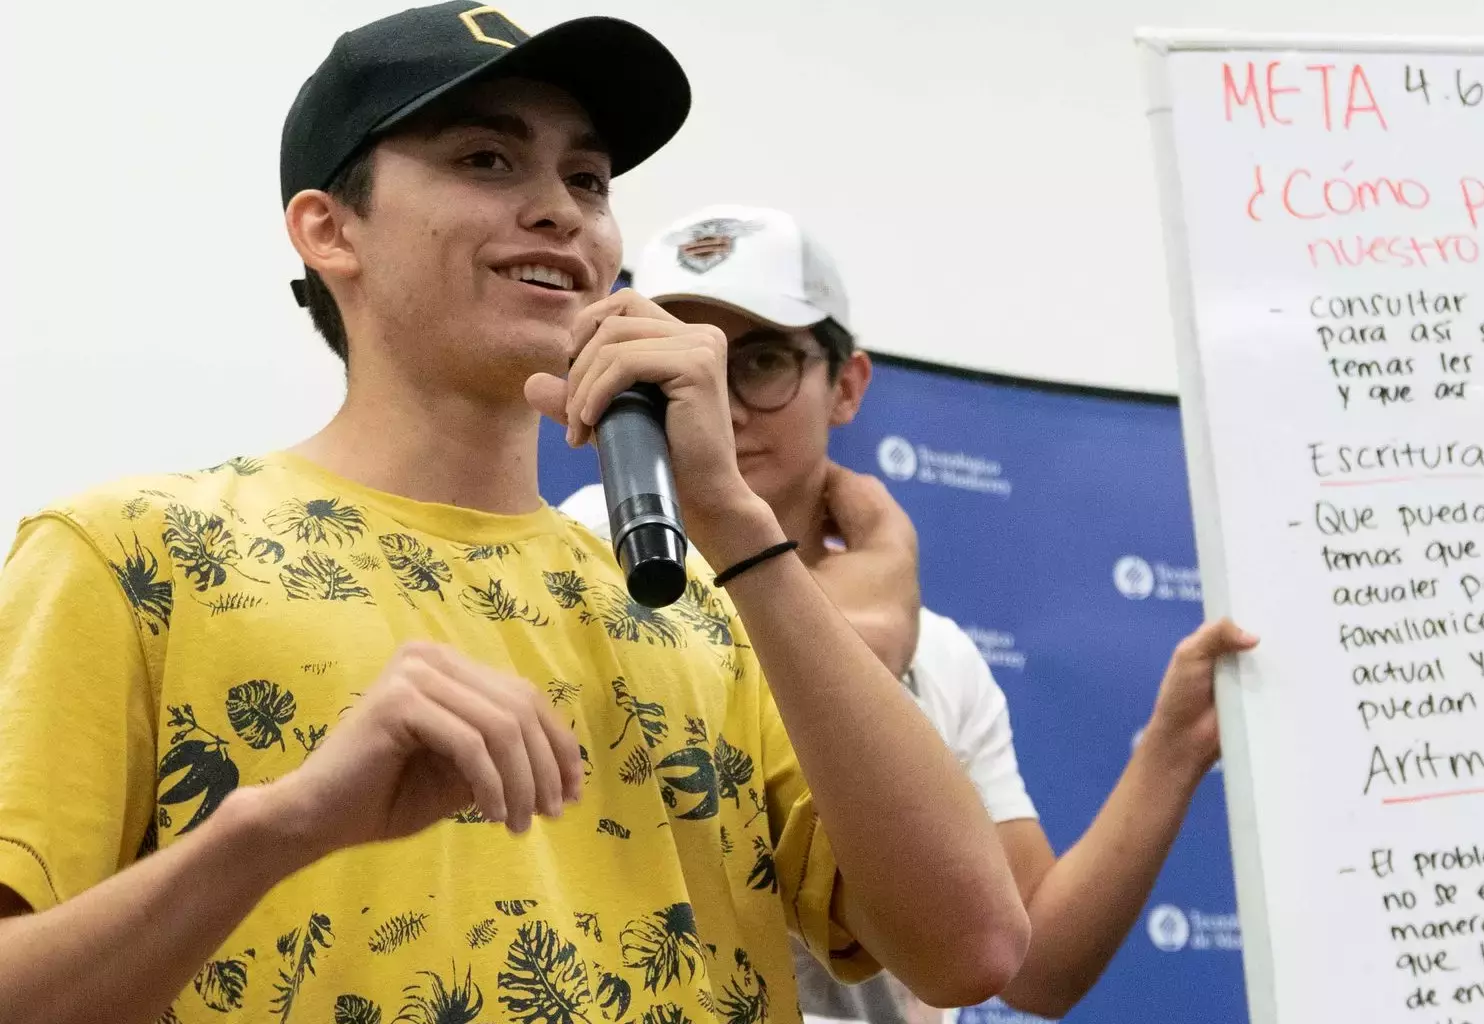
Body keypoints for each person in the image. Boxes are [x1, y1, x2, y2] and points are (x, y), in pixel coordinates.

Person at [0, 7, 1031, 1024]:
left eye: (586, 179)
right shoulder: (131, 556)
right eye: (487, 159)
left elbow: (974, 944)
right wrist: (282, 827)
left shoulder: (706, 604)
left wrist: (729, 516)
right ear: (329, 228)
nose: (561, 211)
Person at [560, 204, 1260, 1023]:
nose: (721, 400)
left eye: (762, 362)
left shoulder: (943, 653)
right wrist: (866, 630)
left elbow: (1032, 964)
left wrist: (1173, 749)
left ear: (847, 385)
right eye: (679, 359)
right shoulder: (582, 553)